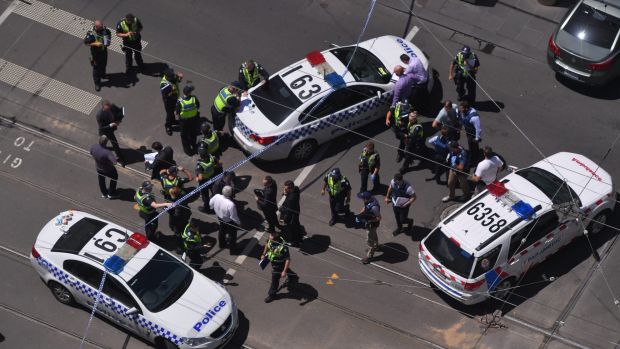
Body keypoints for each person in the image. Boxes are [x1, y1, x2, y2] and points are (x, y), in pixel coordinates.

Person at [261, 230, 297, 303]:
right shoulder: (270, 240)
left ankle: (272, 294)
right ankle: (293, 276)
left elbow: (288, 259)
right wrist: (263, 254)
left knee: (275, 280)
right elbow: (267, 244)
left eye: (271, 239)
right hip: (273, 262)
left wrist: (284, 271)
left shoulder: (283, 247)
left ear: (276, 240)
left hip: (280, 264)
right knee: (286, 270)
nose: (269, 239)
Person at [210, 186, 241, 254]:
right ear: (231, 194)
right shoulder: (231, 204)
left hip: (220, 218)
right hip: (229, 221)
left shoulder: (217, 196)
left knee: (222, 230)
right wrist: (239, 223)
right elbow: (234, 217)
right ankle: (233, 251)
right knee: (232, 236)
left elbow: (210, 204)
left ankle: (222, 244)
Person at [84, 20, 111, 91]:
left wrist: (107, 40)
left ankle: (103, 75)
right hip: (96, 54)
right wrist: (95, 44)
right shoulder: (91, 33)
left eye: (102, 26)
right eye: (100, 27)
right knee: (96, 68)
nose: (102, 27)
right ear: (96, 27)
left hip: (103, 51)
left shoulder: (105, 31)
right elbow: (86, 43)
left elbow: (109, 36)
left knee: (104, 64)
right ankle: (97, 83)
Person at [96, 100, 125, 165]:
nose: (109, 110)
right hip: (105, 131)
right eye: (107, 109)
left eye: (109, 108)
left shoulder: (111, 107)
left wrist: (119, 120)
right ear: (103, 107)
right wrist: (111, 125)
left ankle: (119, 157)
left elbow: (118, 112)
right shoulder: (99, 115)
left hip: (111, 129)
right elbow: (101, 127)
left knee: (115, 144)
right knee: (114, 144)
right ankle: (120, 158)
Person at [176, 85, 201, 156]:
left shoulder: (180, 101)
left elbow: (177, 112)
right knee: (193, 133)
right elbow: (198, 106)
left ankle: (188, 151)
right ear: (189, 93)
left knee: (184, 136)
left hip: (184, 122)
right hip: (193, 119)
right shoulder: (194, 98)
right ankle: (194, 145)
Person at [357, 192, 381, 264]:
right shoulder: (370, 200)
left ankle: (370, 256)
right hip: (371, 224)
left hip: (372, 225)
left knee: (369, 241)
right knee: (374, 235)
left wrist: (368, 220)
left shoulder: (374, 207)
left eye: (362, 198)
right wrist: (361, 213)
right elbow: (366, 207)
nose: (362, 200)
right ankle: (376, 246)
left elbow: (379, 218)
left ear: (366, 199)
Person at [457, 101, 482, 165]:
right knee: (471, 145)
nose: (461, 109)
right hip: (468, 131)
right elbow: (462, 120)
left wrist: (477, 138)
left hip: (472, 134)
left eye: (462, 108)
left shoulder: (474, 117)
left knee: (472, 145)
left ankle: (474, 159)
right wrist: (459, 128)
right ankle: (476, 153)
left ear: (466, 108)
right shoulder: (463, 112)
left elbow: (478, 129)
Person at [160, 68, 184, 135]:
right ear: (168, 77)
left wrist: (180, 78)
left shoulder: (172, 77)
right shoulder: (164, 84)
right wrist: (172, 89)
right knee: (169, 114)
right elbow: (166, 94)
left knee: (174, 111)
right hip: (168, 101)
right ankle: (168, 126)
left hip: (175, 98)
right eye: (172, 76)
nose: (174, 76)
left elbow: (177, 81)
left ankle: (173, 121)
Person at [195, 144, 217, 214]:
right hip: (213, 178)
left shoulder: (200, 165)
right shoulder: (212, 158)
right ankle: (217, 205)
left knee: (205, 196)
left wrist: (197, 178)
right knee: (215, 192)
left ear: (201, 155)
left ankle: (206, 208)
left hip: (204, 182)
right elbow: (219, 164)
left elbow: (200, 177)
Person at [279, 180, 302, 246]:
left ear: (290, 188)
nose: (284, 189)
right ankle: (299, 237)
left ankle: (295, 242)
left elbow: (288, 211)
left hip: (291, 216)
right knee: (296, 225)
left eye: (286, 189)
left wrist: (284, 219)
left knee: (292, 228)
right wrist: (286, 193)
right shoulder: (296, 189)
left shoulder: (291, 199)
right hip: (296, 211)